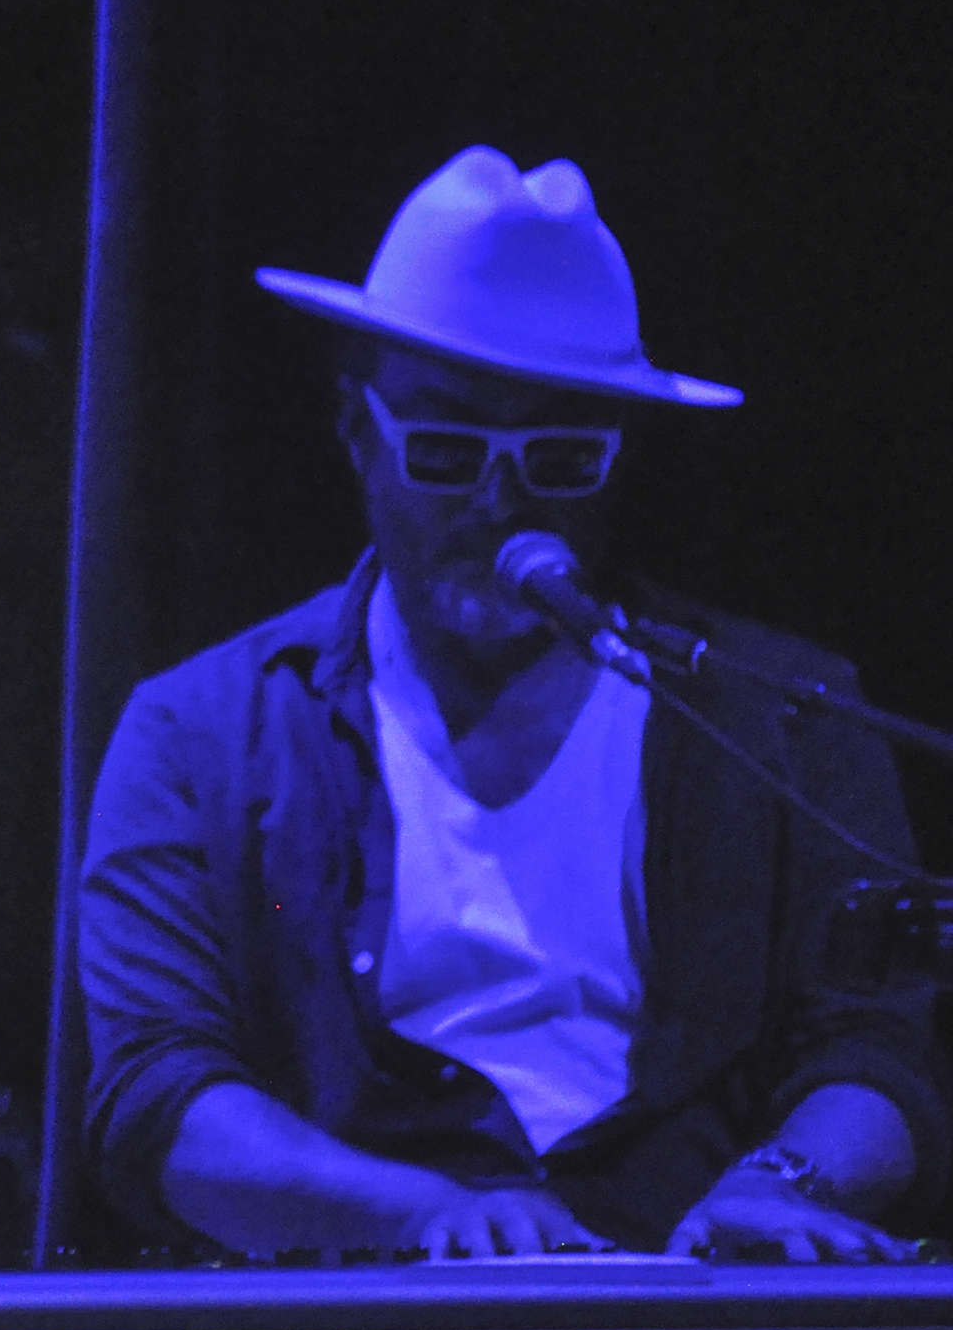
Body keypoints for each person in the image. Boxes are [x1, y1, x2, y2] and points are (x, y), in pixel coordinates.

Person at [80, 145, 945, 1261]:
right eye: (445, 450)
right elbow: (161, 1102)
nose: (501, 502)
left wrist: (785, 1185)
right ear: (358, 433)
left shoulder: (789, 716)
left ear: (618, 457)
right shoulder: (198, 733)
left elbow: (879, 1047)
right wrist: (423, 1214)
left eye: (560, 456)